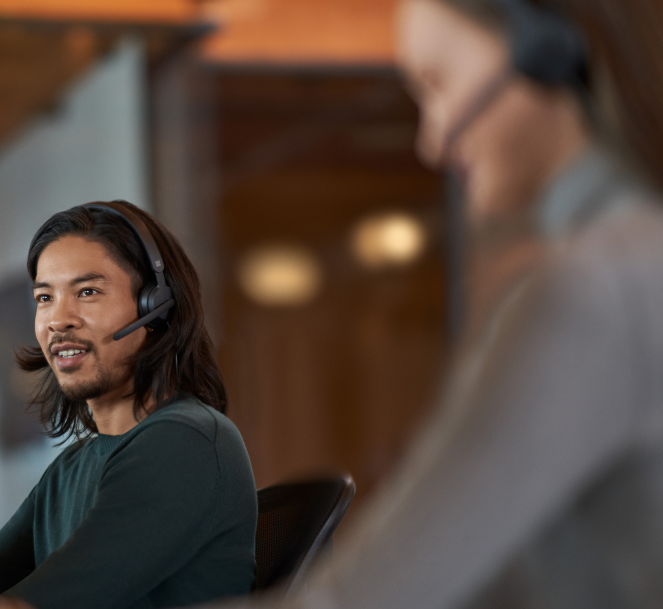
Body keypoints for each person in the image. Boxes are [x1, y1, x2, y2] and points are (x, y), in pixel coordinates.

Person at [278, 0, 663, 608]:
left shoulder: (597, 289)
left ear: (546, 51)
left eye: (438, 84)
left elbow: (363, 601)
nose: (432, 141)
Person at [0, 201, 258, 609]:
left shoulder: (184, 443)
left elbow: (32, 606)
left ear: (153, 307)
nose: (57, 319)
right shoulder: (71, 469)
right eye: (45, 297)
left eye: (87, 292)